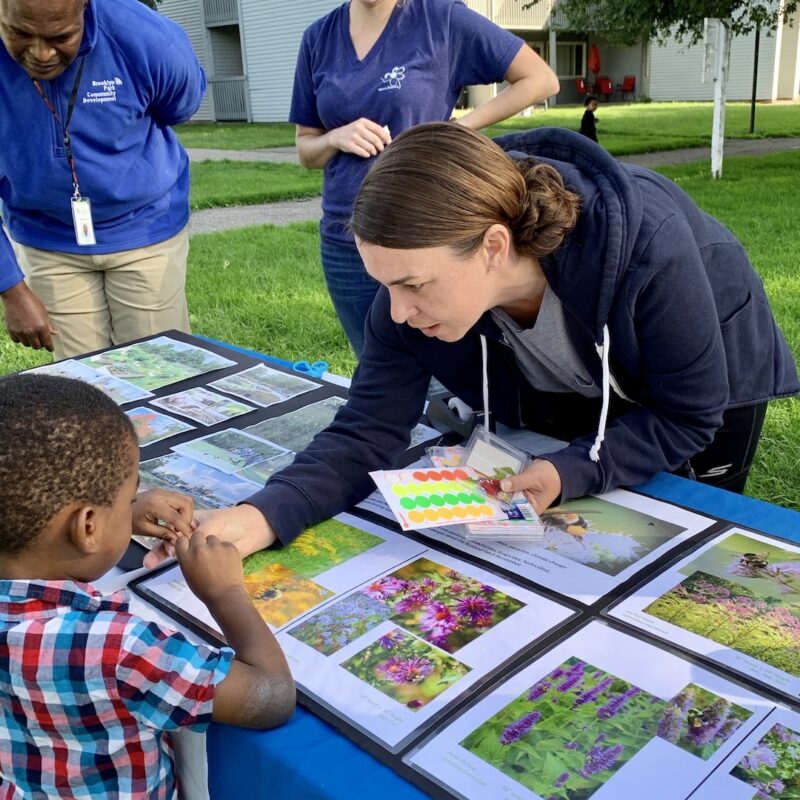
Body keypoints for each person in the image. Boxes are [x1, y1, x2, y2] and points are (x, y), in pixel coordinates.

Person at [160, 122, 798, 564]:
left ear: (494, 246)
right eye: (387, 285)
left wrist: (572, 467)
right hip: (576, 385)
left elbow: (690, 414)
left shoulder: (646, 251)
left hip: (710, 373)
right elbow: (366, 431)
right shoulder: (405, 304)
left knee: (685, 525)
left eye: (414, 284)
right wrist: (262, 516)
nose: (400, 312)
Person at [0, 374, 295, 799]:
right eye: (127, 499)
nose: (132, 506)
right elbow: (271, 698)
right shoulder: (118, 647)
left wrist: (117, 516)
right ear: (87, 527)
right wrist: (224, 591)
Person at [290, 0, 559, 356]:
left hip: (425, 238)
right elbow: (306, 149)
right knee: (376, 361)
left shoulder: (441, 19)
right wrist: (335, 137)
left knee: (447, 374)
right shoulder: (318, 38)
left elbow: (540, 78)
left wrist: (458, 129)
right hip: (347, 242)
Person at [0, 0, 206, 360]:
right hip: (48, 238)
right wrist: (12, 290)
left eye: (60, 36)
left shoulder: (145, 37)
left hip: (145, 229)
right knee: (82, 386)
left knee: (159, 371)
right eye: (19, 33)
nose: (41, 53)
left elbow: (181, 105)